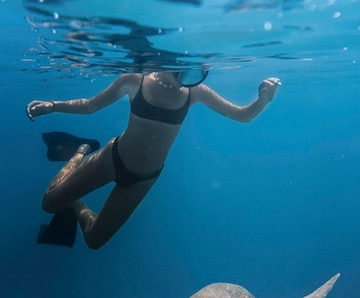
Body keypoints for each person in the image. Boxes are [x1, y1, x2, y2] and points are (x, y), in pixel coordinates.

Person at [26, 69, 281, 249]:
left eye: (200, 73)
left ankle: (75, 201)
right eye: (189, 71)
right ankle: (78, 153)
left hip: (143, 179)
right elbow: (91, 105)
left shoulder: (196, 93)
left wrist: (263, 100)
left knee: (93, 240)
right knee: (48, 203)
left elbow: (242, 116)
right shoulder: (134, 81)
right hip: (111, 159)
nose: (191, 80)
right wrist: (52, 105)